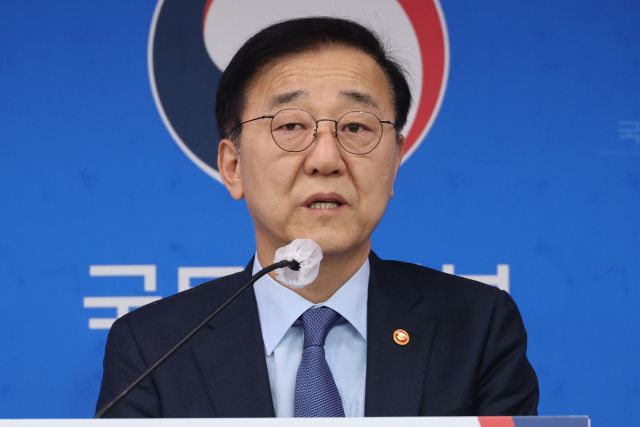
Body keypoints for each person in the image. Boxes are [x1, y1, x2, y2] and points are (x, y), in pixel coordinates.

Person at [96, 17, 538, 418]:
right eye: (290, 126)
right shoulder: (155, 347)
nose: (326, 159)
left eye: (356, 127)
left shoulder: (477, 327)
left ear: (394, 161)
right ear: (233, 166)